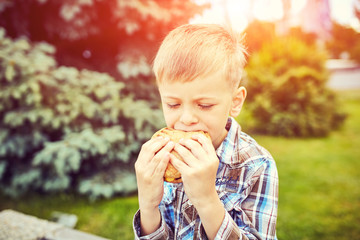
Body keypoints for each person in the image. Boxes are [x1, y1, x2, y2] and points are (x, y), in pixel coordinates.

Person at [133, 24, 278, 240]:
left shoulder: (256, 165)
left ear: (235, 102)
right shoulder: (162, 158)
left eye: (205, 105)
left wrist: (207, 200)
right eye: (173, 104)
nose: (187, 119)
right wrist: (147, 206)